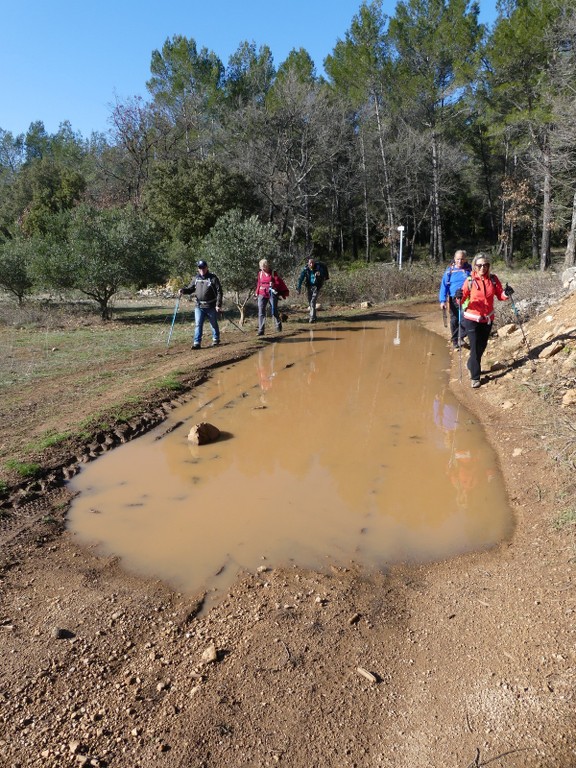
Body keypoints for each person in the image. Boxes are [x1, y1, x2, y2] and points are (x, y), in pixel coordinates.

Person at [456, 253, 513, 389]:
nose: (483, 268)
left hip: (487, 319)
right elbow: (461, 299)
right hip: (471, 318)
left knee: (481, 347)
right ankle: (475, 377)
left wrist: (507, 293)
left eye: (485, 265)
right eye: (480, 265)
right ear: (475, 266)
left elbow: (500, 296)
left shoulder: (493, 279)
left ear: (488, 266)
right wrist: (458, 297)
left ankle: (471, 364)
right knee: (475, 347)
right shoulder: (470, 280)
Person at [179, 260, 223, 349]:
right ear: (198, 269)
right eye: (200, 268)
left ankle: (216, 339)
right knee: (198, 324)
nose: (202, 269)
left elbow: (219, 292)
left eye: (203, 267)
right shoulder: (196, 278)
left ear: (207, 267)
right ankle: (197, 343)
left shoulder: (213, 278)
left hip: (211, 306)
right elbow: (190, 289)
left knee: (213, 323)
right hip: (199, 306)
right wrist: (183, 290)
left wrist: (218, 304)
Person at [438, 249, 472, 350]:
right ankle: (455, 341)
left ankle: (461, 337)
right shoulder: (449, 271)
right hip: (453, 299)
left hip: (466, 298)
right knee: (454, 320)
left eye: (462, 259)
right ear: (454, 259)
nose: (460, 261)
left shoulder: (470, 270)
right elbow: (444, 286)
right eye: (458, 259)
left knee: (465, 318)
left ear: (465, 259)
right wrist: (442, 301)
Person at [255, 259, 289, 336]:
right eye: (262, 267)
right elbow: (259, 283)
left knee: (274, 310)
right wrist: (256, 293)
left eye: (265, 266)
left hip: (271, 293)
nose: (263, 268)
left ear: (267, 266)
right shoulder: (260, 273)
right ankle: (261, 330)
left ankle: (278, 325)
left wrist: (273, 284)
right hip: (262, 293)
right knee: (261, 311)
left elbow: (278, 282)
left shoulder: (273, 273)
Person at [297, 257, 329, 323]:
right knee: (310, 302)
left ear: (314, 263)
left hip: (316, 286)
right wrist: (298, 288)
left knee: (313, 301)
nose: (311, 264)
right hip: (309, 286)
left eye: (312, 263)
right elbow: (300, 279)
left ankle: (312, 318)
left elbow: (323, 276)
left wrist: (319, 274)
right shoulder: (305, 269)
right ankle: (313, 316)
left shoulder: (318, 269)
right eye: (310, 263)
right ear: (308, 263)